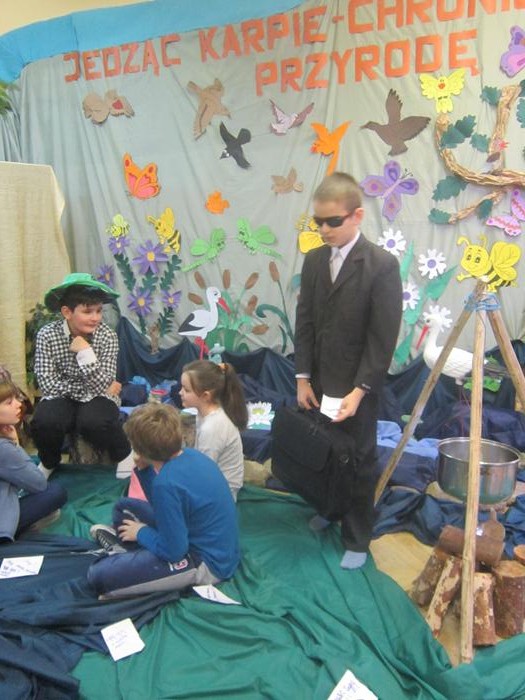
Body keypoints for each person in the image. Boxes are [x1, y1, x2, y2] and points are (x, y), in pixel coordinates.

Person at [294, 172, 403, 569]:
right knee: (324, 451)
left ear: (357, 216)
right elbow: (305, 321)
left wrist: (360, 391)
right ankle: (330, 508)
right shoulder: (314, 260)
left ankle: (357, 537)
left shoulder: (381, 265)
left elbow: (382, 338)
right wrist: (302, 377)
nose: (324, 229)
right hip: (318, 381)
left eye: (333, 221)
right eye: (318, 222)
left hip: (358, 386)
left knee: (358, 459)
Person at [87, 403, 240, 598]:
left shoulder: (166, 483)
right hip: (202, 540)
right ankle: (130, 553)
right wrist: (144, 469)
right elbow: (164, 506)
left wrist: (141, 532)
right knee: (123, 508)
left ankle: (126, 554)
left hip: (206, 563)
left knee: (98, 575)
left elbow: (174, 551)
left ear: (138, 448)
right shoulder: (193, 456)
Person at [30, 273, 131, 470]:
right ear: (67, 312)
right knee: (45, 422)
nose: (95, 318)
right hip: (62, 396)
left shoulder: (107, 336)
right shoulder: (47, 335)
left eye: (99, 311)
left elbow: (103, 386)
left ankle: (125, 455)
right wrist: (84, 392)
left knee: (96, 422)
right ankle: (49, 463)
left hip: (96, 397)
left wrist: (86, 353)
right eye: (87, 312)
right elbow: (47, 384)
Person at [0, 378, 67, 542]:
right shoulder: (4, 448)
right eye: (9, 402)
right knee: (55, 492)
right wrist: (15, 445)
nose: (18, 405)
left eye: (16, 399)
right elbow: (38, 484)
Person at [179, 360, 248, 501]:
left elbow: (204, 473)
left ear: (205, 395)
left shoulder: (212, 427)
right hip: (212, 486)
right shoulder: (203, 414)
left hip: (220, 497)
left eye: (186, 390)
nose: (180, 392)